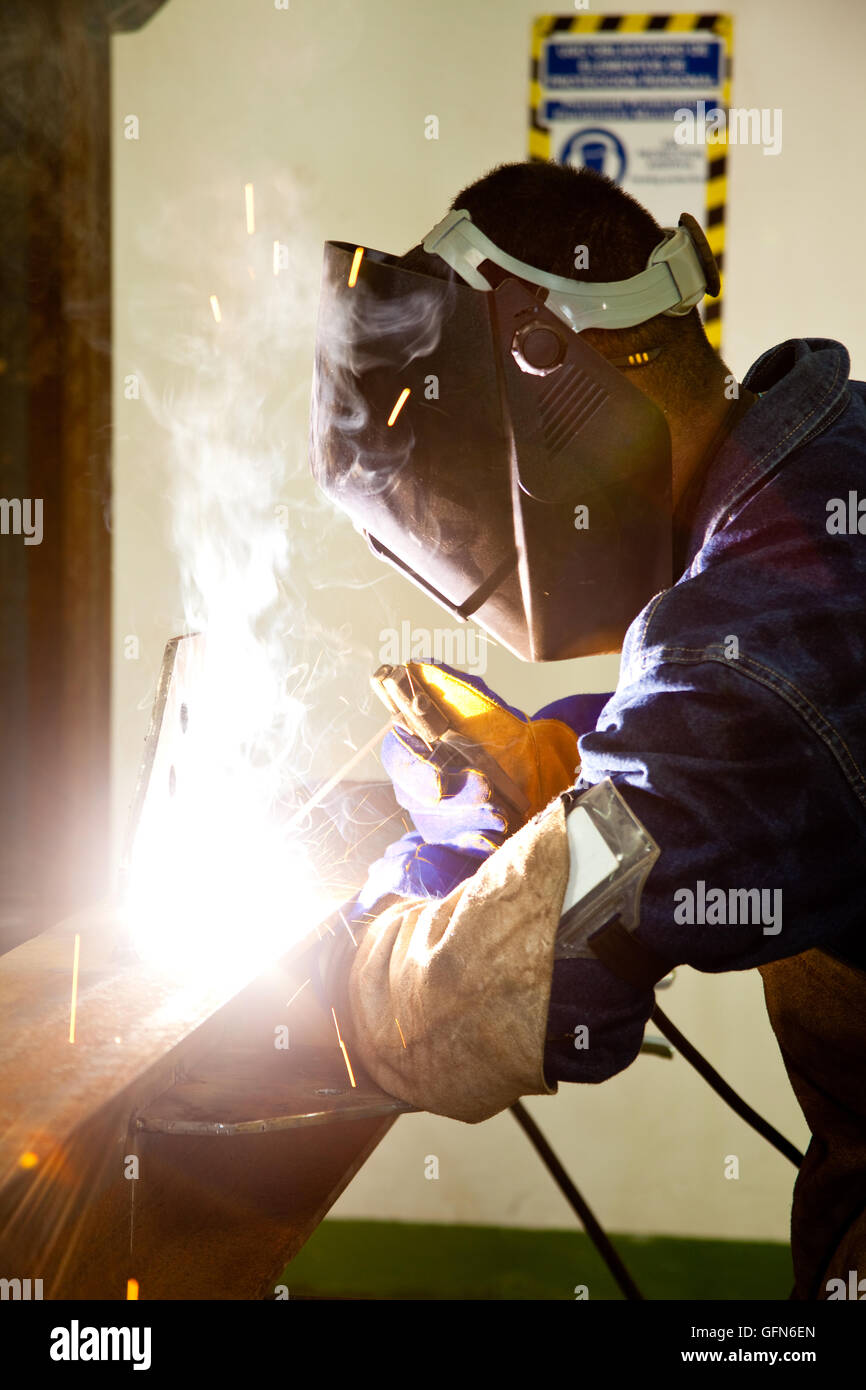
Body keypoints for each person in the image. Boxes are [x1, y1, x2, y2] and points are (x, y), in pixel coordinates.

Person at [309, 161, 866, 1300]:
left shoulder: (779, 620)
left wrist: (340, 963)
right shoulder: (817, 477)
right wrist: (558, 772)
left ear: (546, 366)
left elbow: (558, 986)